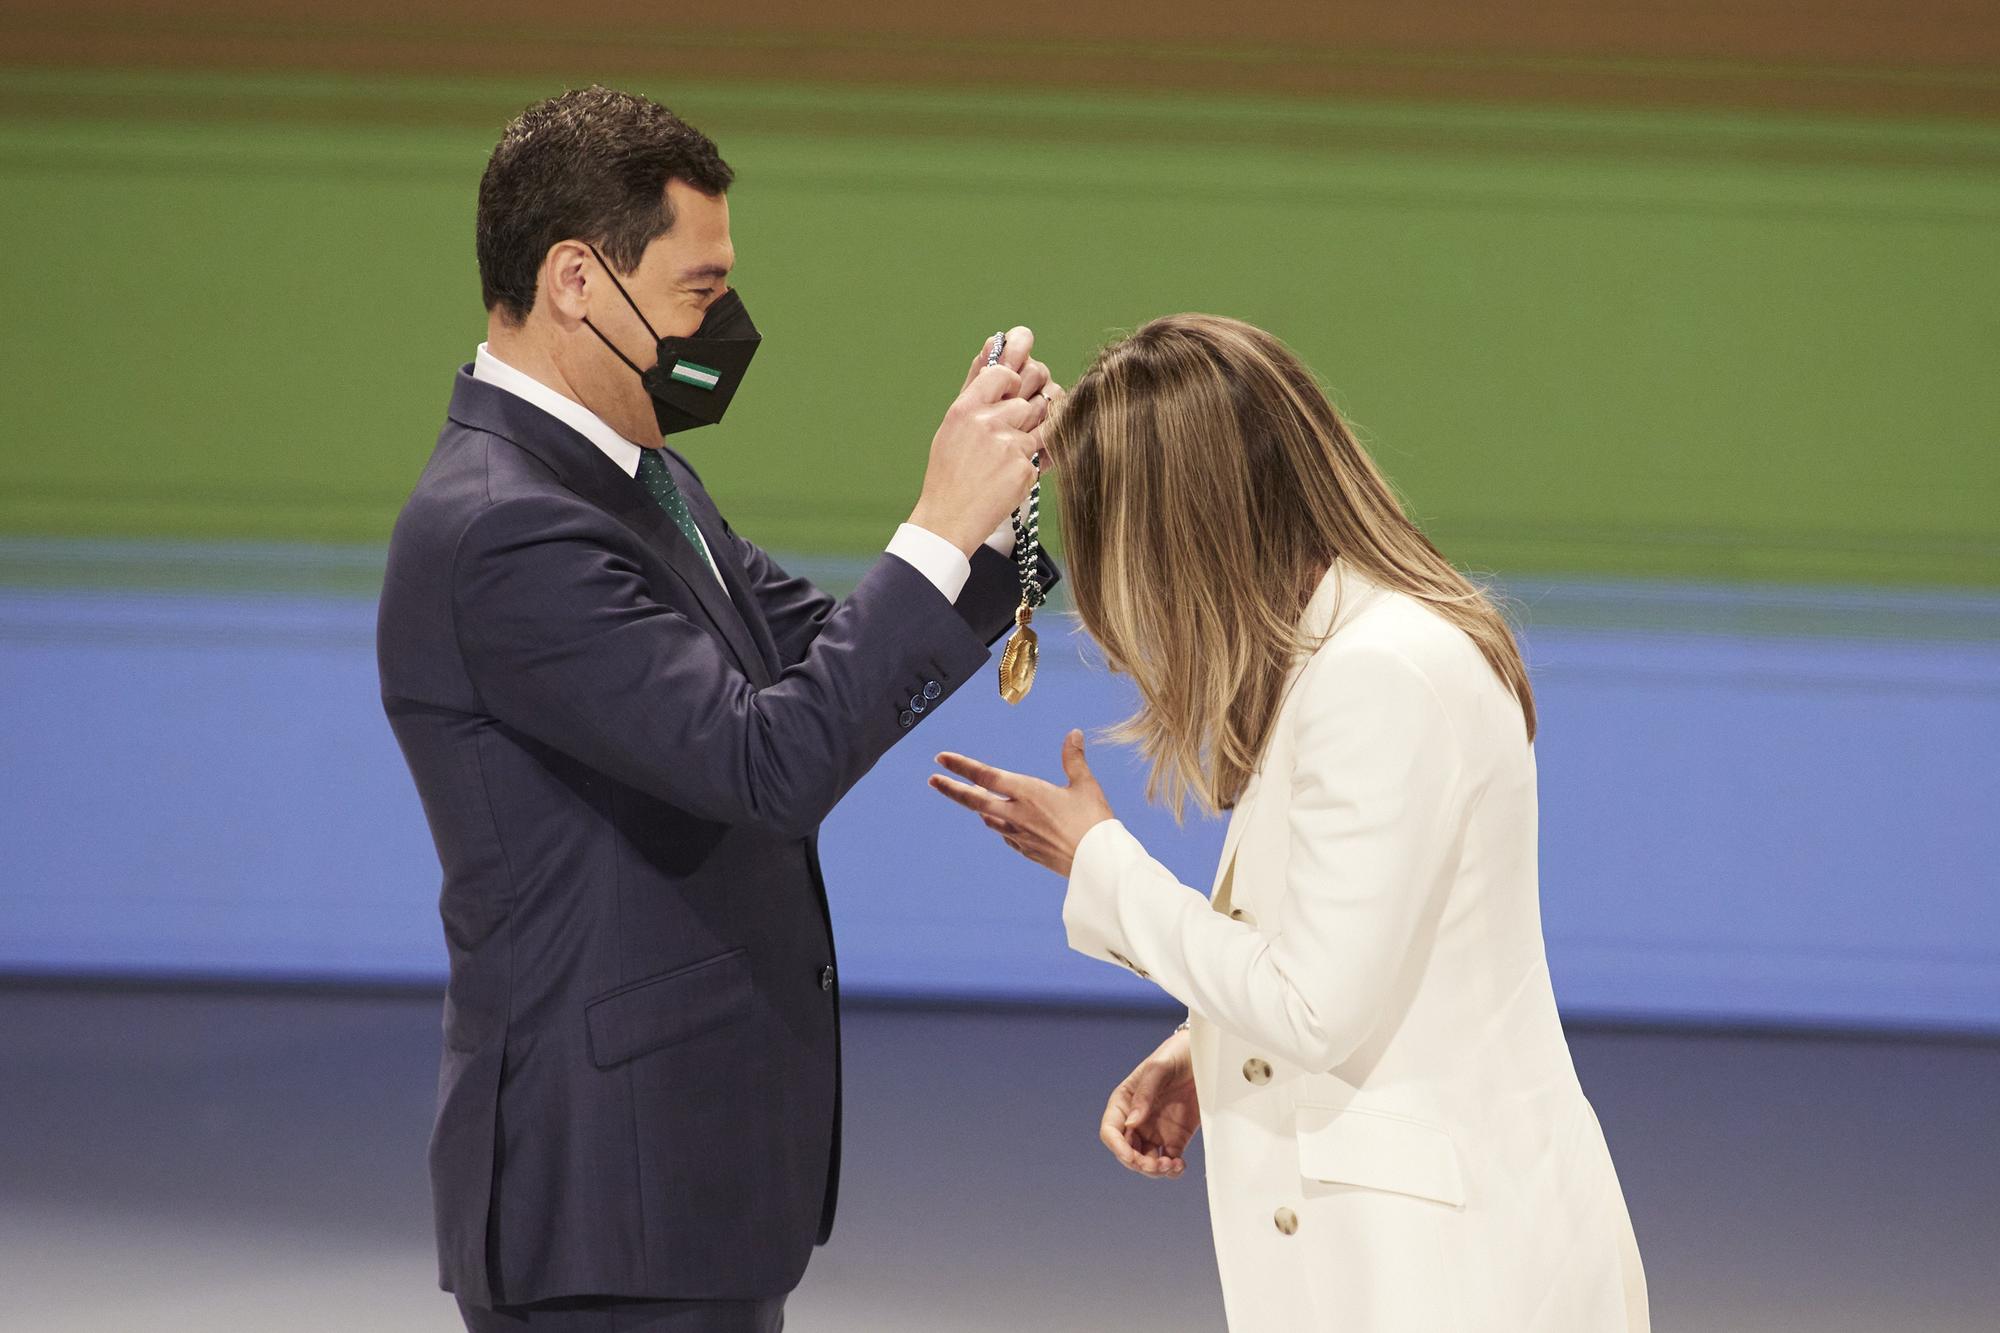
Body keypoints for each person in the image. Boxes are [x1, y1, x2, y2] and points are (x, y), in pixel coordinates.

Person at [376, 86, 1061, 1332]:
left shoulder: (642, 480)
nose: (723, 326)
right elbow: (765, 762)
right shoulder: (502, 527)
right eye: (699, 289)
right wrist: (937, 521)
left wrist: (993, 511)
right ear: (577, 280)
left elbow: (810, 655)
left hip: (681, 1187)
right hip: (603, 1207)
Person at [929, 314, 1648, 1330]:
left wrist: (1096, 860)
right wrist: (1210, 1044)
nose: (1102, 608)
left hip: (1441, 1280)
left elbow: (1315, 1005)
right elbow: (1358, 949)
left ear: (1172, 534)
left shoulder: (1375, 674)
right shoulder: (1356, 653)